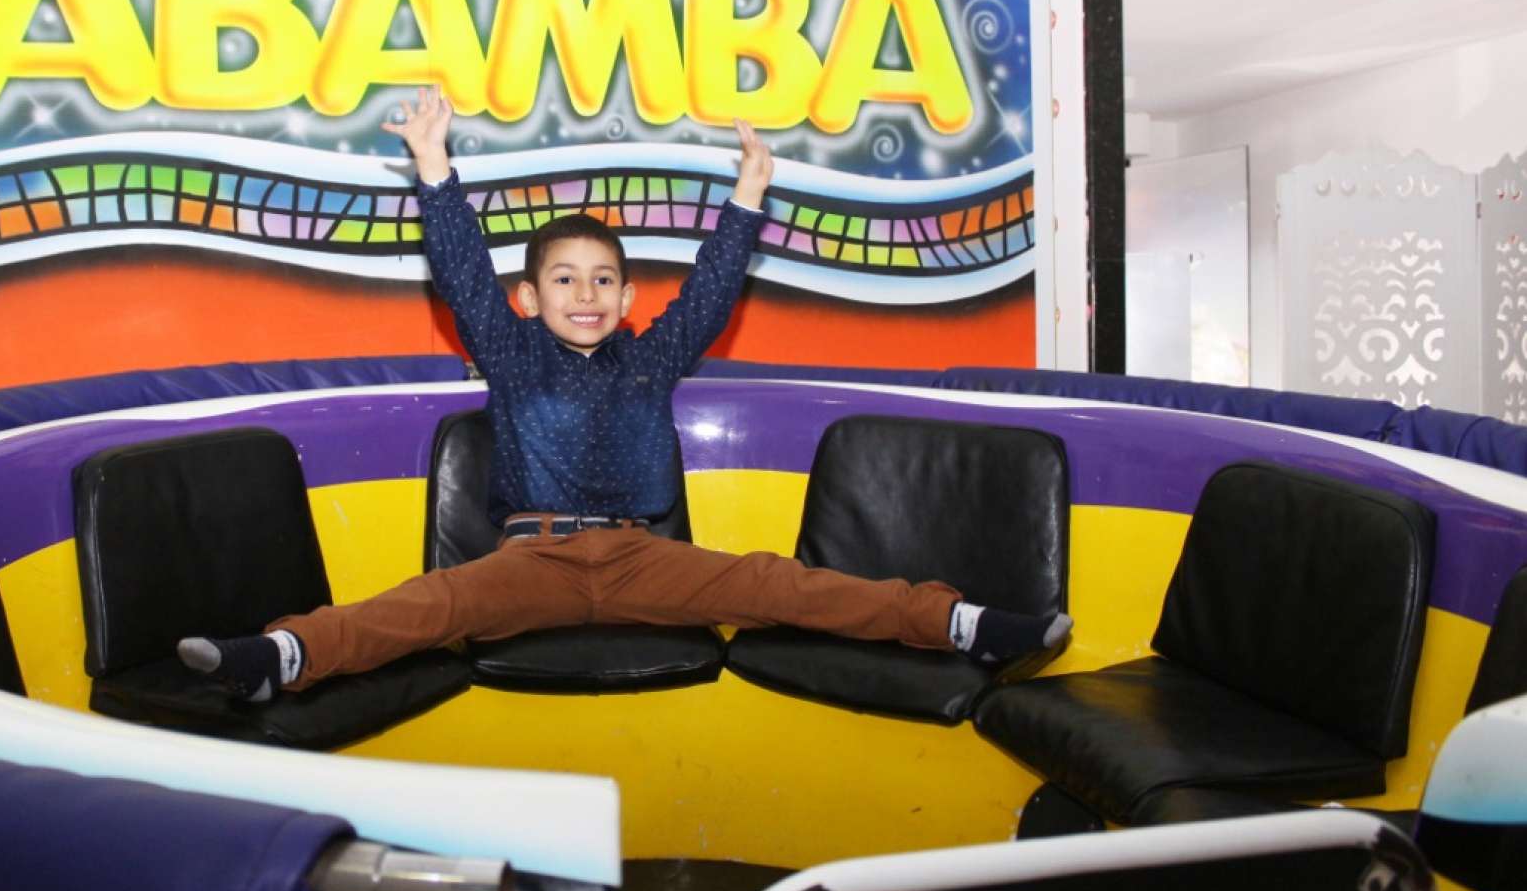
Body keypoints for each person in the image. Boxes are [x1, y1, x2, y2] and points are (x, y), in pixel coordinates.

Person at [181, 87, 1071, 701]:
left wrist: (748, 195)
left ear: (627, 297)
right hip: (532, 560)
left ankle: (961, 623)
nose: (585, 295)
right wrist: (434, 167)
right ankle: (280, 656)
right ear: (530, 298)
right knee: (429, 605)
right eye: (564, 280)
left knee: (778, 584)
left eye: (603, 280)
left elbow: (710, 294)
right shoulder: (511, 354)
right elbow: (462, 274)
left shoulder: (649, 361)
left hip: (645, 559)